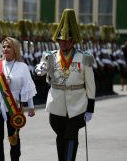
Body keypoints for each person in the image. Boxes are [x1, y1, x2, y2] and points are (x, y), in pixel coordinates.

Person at [35, 9, 96, 161]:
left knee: (71, 134)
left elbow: (90, 85)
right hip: (56, 103)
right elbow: (41, 68)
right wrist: (40, 69)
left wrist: (90, 107)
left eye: (66, 40)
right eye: (60, 40)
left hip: (77, 104)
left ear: (72, 41)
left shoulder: (85, 57)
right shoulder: (50, 56)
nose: (62, 43)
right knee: (60, 134)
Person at [0, 37, 37, 161]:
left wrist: (31, 107)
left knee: (14, 137)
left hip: (13, 107)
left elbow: (27, 87)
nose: (5, 49)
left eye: (9, 46)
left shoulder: (22, 67)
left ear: (15, 49)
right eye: (4, 46)